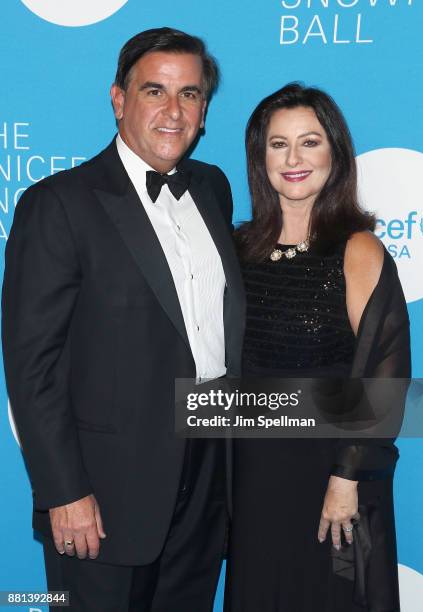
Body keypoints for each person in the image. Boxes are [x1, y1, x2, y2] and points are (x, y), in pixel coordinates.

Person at [2, 27, 245, 612]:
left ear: (205, 109)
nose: (173, 110)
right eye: (155, 91)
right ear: (118, 99)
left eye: (190, 94)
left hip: (211, 467)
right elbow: (32, 367)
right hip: (106, 490)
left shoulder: (212, 187)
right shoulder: (59, 203)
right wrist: (65, 493)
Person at [224, 83, 410, 611]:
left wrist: (347, 476)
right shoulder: (238, 249)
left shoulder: (357, 249)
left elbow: (385, 378)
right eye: (278, 144)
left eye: (310, 141)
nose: (294, 158)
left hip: (334, 476)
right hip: (256, 478)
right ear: (260, 158)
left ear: (336, 153)